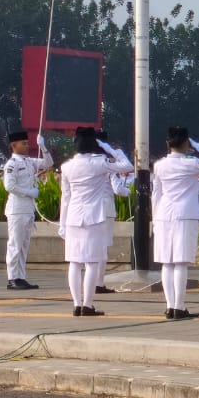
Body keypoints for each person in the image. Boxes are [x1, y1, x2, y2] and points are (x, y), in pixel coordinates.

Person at [151, 126, 199, 320]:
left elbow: (156, 194)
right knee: (181, 262)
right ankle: (179, 306)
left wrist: (154, 218)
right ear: (186, 143)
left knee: (167, 263)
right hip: (185, 213)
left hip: (163, 214)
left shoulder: (159, 165)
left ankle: (170, 305)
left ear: (168, 143)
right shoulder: (191, 163)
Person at [58, 127, 133, 316]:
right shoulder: (100, 162)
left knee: (75, 263)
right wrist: (109, 148)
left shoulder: (67, 166)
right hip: (95, 216)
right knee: (92, 262)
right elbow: (127, 166)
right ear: (94, 143)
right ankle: (88, 304)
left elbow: (65, 198)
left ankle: (77, 304)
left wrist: (62, 223)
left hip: (73, 217)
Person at [3, 130, 53, 290]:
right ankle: (12, 278)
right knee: (15, 245)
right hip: (17, 209)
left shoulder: (29, 161)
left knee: (24, 245)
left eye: (27, 143)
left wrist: (43, 147)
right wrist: (29, 192)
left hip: (28, 209)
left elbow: (48, 163)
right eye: (23, 143)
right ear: (14, 145)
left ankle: (21, 277)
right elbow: (9, 186)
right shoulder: (12, 164)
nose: (27, 145)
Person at [93, 130, 131, 295]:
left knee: (90, 249)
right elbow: (117, 188)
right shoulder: (107, 163)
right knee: (102, 249)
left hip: (89, 210)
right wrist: (128, 192)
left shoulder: (86, 162)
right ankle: (98, 283)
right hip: (106, 209)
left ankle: (90, 282)